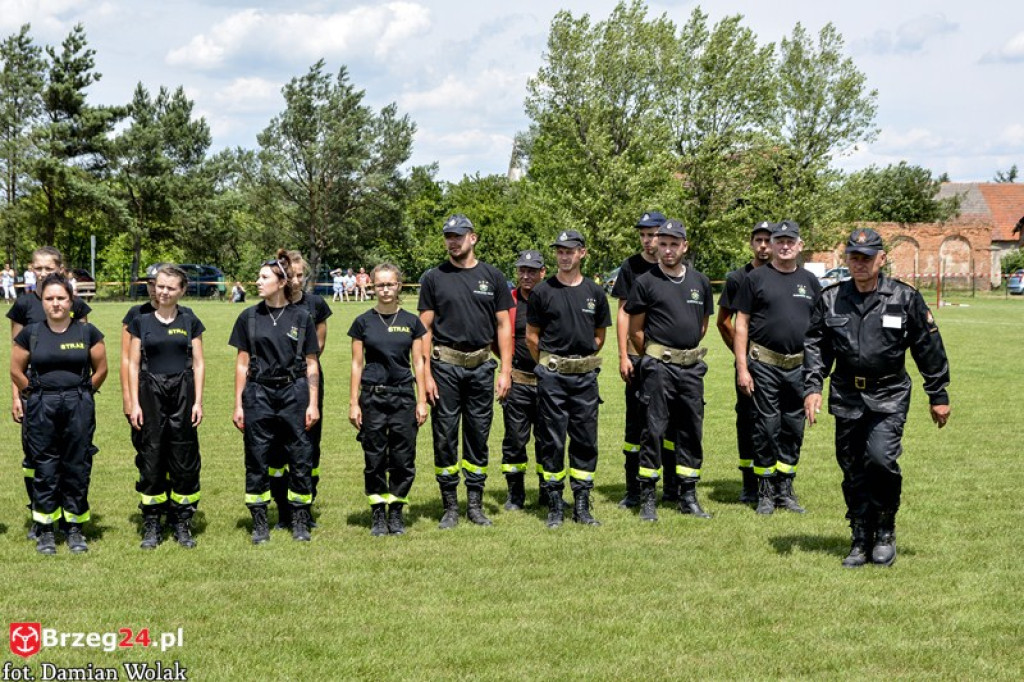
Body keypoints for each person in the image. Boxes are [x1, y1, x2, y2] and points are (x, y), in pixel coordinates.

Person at [804, 228, 951, 568]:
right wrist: (813, 387)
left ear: (881, 259)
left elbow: (927, 345)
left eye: (867, 257)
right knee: (853, 466)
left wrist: (938, 393)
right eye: (854, 257)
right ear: (847, 260)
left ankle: (884, 530)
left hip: (889, 393)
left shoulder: (904, 297)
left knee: (881, 460)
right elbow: (815, 346)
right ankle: (859, 536)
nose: (860, 263)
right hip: (846, 393)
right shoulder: (830, 298)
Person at [418, 214, 513, 529]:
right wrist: (427, 375)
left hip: (482, 367)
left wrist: (506, 371)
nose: (453, 241)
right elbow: (425, 329)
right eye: (448, 236)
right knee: (444, 437)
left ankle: (474, 504)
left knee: (478, 435)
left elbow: (504, 326)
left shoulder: (493, 276)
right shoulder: (433, 278)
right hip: (444, 367)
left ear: (473, 237)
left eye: (458, 235)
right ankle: (450, 508)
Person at [10, 274, 107, 554]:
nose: (56, 304)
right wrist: (34, 393)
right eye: (50, 298)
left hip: (78, 404)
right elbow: (15, 370)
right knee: (45, 467)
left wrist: (86, 392)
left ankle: (74, 528)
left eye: (61, 298)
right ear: (42, 301)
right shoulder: (31, 334)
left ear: (71, 300)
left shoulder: (87, 332)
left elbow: (101, 369)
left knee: (77, 464)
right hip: (42, 405)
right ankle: (45, 530)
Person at [229, 250, 320, 544]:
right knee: (257, 456)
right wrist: (238, 404)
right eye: (259, 277)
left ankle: (300, 519)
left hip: (294, 392)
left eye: (264, 277)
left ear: (281, 282)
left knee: (300, 455)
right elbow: (242, 363)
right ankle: (259, 521)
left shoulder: (302, 317)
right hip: (258, 393)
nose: (257, 281)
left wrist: (313, 403)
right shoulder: (249, 317)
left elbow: (311, 364)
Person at [626, 219, 714, 521]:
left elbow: (701, 325)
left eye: (673, 244)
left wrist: (683, 351)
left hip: (691, 368)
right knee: (653, 429)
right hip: (658, 368)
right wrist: (658, 355)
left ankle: (687, 495)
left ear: (684, 246)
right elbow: (635, 331)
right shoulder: (645, 282)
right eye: (662, 243)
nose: (667, 249)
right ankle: (648, 497)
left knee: (691, 430)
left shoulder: (700, 282)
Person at [733, 220, 822, 515]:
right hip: (764, 364)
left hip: (798, 366)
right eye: (779, 240)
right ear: (770, 245)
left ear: (799, 245)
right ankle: (766, 489)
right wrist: (742, 368)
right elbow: (741, 324)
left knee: (793, 428)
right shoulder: (755, 279)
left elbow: (818, 330)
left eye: (790, 241)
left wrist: (815, 374)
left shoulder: (810, 281)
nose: (784, 246)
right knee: (766, 427)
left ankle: (786, 487)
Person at [527, 229, 611, 528]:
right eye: (560, 251)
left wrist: (579, 361)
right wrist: (552, 364)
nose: (564, 256)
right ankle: (554, 505)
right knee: (552, 441)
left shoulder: (595, 293)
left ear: (582, 253)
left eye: (570, 251)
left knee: (585, 441)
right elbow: (532, 337)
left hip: (585, 378)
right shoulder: (542, 292)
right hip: (552, 378)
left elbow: (599, 336)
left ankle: (582, 505)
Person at [127, 265, 206, 549]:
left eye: (171, 288)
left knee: (184, 457)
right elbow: (133, 363)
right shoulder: (141, 321)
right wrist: (134, 403)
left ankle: (182, 521)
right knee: (152, 457)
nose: (163, 292)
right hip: (150, 392)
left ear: (182, 291)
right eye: (160, 286)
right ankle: (152, 522)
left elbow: (198, 362)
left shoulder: (190, 320)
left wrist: (198, 401)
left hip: (183, 391)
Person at [349, 263, 428, 535]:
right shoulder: (362, 323)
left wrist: (421, 400)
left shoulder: (411, 322)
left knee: (403, 459)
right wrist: (353, 403)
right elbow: (357, 365)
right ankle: (377, 514)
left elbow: (418, 362)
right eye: (380, 284)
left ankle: (395, 512)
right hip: (372, 396)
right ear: (372, 286)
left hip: (404, 397)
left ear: (399, 285)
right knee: (374, 459)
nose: (385, 289)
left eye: (390, 284)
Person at [612, 210, 677, 508]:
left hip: (670, 359)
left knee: (671, 425)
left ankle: (673, 488)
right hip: (639, 358)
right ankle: (634, 489)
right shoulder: (631, 267)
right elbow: (624, 312)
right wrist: (624, 355)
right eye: (643, 235)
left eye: (653, 235)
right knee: (636, 425)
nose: (648, 241)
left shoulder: (675, 266)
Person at [267, 250, 332, 529]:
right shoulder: (268, 306)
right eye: (290, 275)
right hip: (271, 386)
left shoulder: (315, 304)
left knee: (308, 448)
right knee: (276, 449)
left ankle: (304, 506)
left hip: (307, 382)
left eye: (300, 275)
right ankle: (282, 509)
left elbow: (317, 349)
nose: (296, 280)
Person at [716, 221, 774, 503]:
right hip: (750, 364)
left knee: (779, 423)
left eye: (768, 240)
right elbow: (724, 321)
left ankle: (778, 485)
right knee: (749, 421)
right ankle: (750, 485)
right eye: (758, 240)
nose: (763, 246)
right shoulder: (738, 278)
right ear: (751, 243)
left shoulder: (784, 275)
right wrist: (741, 355)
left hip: (781, 364)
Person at [499, 249, 546, 510]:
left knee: (547, 440)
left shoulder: (551, 297)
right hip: (518, 381)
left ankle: (546, 491)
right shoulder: (509, 300)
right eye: (522, 270)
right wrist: (506, 370)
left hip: (548, 382)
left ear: (543, 272)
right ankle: (515, 494)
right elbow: (499, 340)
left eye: (531, 271)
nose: (526, 275)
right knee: (515, 440)